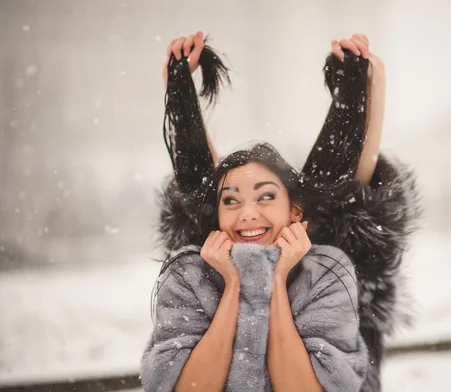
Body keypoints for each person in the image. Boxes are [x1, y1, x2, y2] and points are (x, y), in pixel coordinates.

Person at [141, 31, 421, 392]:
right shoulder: (190, 276)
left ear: (295, 211)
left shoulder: (327, 273)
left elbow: (352, 188)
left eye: (266, 197)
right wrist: (234, 287)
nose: (247, 213)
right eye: (231, 201)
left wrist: (370, 86)